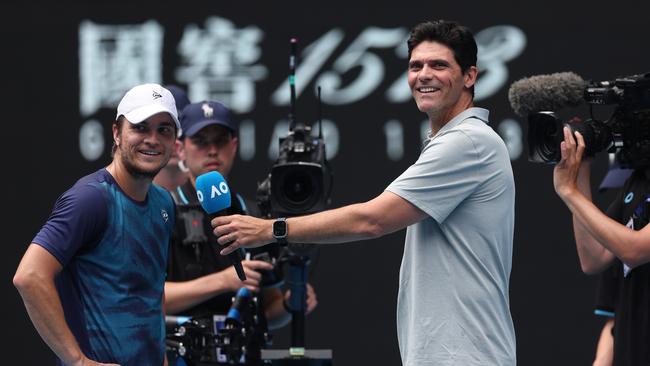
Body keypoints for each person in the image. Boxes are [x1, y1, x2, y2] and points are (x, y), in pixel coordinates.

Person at [212, 20, 516, 365]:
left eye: (439, 65)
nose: (424, 75)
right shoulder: (454, 142)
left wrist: (270, 229)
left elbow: (373, 220)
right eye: (416, 66)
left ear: (470, 76)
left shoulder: (468, 142)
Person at [13, 83, 181, 365]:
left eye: (164, 129)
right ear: (116, 133)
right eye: (140, 127)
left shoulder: (164, 203)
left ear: (174, 141)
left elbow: (152, 290)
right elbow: (29, 277)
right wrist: (77, 360)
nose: (153, 139)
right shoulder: (90, 198)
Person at [164, 100, 317, 363]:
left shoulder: (254, 217)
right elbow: (146, 300)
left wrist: (290, 304)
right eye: (200, 141)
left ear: (234, 146)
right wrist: (224, 281)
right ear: (180, 149)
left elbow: (266, 311)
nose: (212, 150)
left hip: (244, 355)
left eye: (221, 140)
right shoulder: (163, 211)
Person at [553, 125, 650, 365]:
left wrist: (569, 192)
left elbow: (634, 250)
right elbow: (593, 258)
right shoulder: (638, 181)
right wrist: (580, 169)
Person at [153, 84, 192, 191]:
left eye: (180, 129)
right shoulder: (127, 197)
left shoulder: (210, 198)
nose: (174, 141)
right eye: (164, 130)